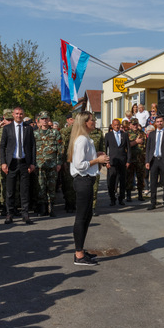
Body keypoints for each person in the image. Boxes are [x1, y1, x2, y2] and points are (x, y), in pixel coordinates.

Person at [68, 112, 109, 266]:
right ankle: (79, 254)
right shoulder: (82, 140)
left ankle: (80, 250)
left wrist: (96, 155)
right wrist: (97, 160)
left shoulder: (86, 139)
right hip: (82, 180)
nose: (94, 121)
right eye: (92, 120)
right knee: (81, 217)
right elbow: (79, 165)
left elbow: (84, 158)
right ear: (85, 123)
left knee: (87, 215)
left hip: (86, 180)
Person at [0, 106, 36, 225]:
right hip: (12, 163)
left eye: (21, 114)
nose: (19, 116)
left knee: (24, 190)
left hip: (24, 162)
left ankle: (25, 214)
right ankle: (9, 214)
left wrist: (32, 163)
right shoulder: (7, 128)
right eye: (16, 114)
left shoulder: (28, 128)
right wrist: (3, 162)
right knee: (10, 190)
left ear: (23, 115)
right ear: (13, 115)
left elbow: (33, 146)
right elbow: (2, 146)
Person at [34, 111, 63, 216]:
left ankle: (51, 208)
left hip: (52, 164)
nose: (44, 121)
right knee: (41, 186)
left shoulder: (55, 133)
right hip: (39, 164)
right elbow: (31, 149)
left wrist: (59, 163)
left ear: (49, 120)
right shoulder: (35, 134)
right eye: (42, 119)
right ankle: (43, 208)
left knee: (52, 186)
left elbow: (60, 149)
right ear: (39, 120)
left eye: (46, 119)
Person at [145, 115, 164, 211]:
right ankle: (153, 203)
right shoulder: (152, 134)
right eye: (157, 122)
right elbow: (148, 148)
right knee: (153, 183)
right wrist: (147, 161)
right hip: (153, 160)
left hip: (163, 161)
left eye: (161, 121)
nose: (159, 123)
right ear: (155, 123)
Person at [105, 118, 129, 206]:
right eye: (115, 125)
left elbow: (128, 148)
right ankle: (112, 199)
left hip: (122, 161)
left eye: (118, 125)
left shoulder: (124, 135)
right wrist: (106, 162)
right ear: (112, 126)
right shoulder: (108, 135)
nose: (117, 126)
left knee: (122, 181)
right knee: (111, 181)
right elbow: (105, 148)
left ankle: (121, 198)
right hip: (112, 162)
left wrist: (128, 161)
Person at [126, 118, 147, 202]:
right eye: (133, 124)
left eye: (136, 124)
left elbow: (146, 145)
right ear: (130, 125)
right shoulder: (127, 134)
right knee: (129, 177)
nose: (135, 126)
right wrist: (136, 142)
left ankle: (140, 194)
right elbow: (126, 146)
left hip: (140, 159)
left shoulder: (142, 133)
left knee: (140, 177)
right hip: (131, 159)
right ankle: (128, 195)